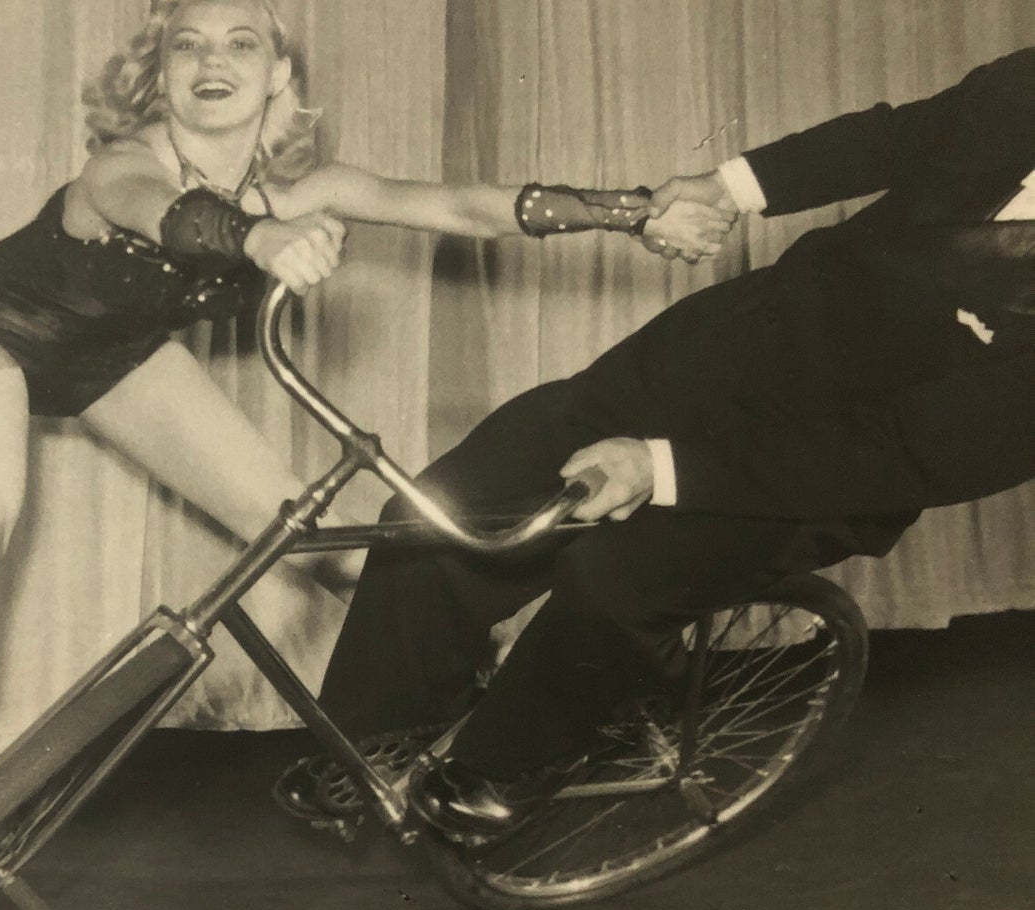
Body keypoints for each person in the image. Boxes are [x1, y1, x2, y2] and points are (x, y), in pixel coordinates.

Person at [0, 0, 729, 843]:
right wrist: (260, 240)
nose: (212, 62)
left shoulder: (305, 188)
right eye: (188, 45)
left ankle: (509, 686)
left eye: (241, 43)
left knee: (311, 533)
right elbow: (163, 211)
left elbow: (466, 207)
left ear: (278, 75)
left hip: (116, 355)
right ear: (161, 71)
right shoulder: (123, 163)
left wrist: (635, 209)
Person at [285, 46, 1035, 842]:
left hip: (827, 469)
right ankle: (374, 732)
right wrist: (727, 187)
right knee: (461, 493)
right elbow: (895, 136)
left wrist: (660, 468)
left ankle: (511, 760)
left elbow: (898, 451)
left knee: (615, 575)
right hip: (755, 337)